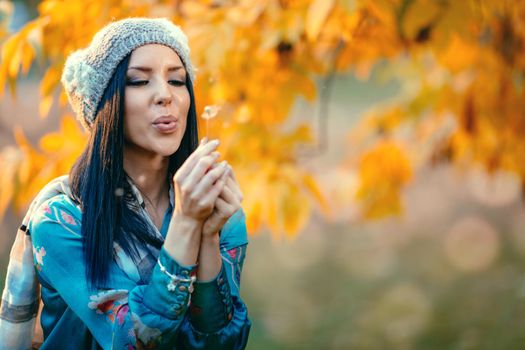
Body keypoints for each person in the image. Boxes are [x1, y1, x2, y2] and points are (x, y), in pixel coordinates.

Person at [17, 17, 250, 349]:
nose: (165, 95)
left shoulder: (221, 213)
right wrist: (186, 224)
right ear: (104, 105)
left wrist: (208, 234)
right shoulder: (61, 220)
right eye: (140, 81)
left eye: (177, 80)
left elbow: (219, 342)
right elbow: (133, 340)